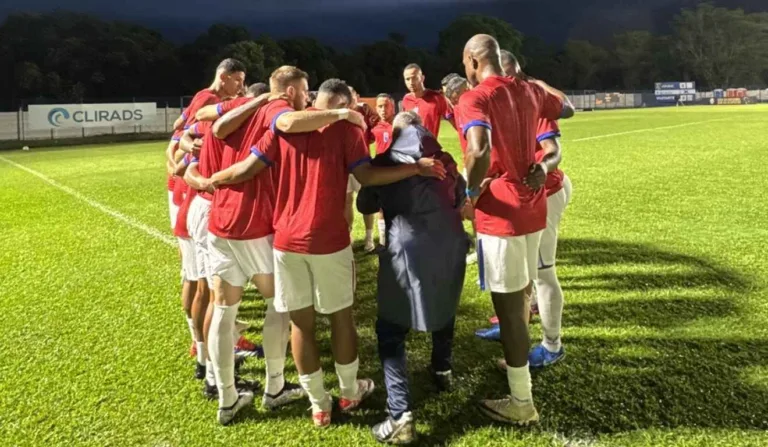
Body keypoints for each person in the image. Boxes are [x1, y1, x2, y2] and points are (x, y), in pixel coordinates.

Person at [208, 78, 446, 428]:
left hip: (287, 240)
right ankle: (349, 391)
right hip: (329, 240)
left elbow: (246, 169)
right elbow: (365, 176)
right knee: (340, 317)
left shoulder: (285, 127)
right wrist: (414, 167)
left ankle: (319, 405)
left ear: (315, 100)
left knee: (301, 325)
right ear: (344, 103)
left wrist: (210, 180)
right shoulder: (346, 130)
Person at [455, 34, 574, 425]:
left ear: (473, 60)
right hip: (532, 207)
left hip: (500, 212)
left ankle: (521, 401)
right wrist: (536, 83)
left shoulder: (475, 97)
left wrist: (470, 191)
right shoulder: (528, 91)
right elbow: (567, 109)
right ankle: (527, 363)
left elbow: (479, 148)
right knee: (524, 293)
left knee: (509, 309)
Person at [357, 111, 469, 444]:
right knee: (445, 303)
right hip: (450, 241)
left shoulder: (386, 161)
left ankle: (400, 414)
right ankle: (442, 368)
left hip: (406, 246)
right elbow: (461, 198)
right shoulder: (445, 159)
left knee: (390, 329)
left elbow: (365, 201)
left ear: (395, 133)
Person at [166, 58, 247, 361]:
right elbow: (178, 139)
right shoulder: (209, 100)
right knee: (202, 283)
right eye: (237, 80)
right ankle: (203, 349)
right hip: (196, 199)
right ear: (223, 78)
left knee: (201, 279)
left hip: (194, 196)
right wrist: (185, 163)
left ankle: (210, 343)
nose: (240, 87)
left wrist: (185, 153)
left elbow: (179, 129)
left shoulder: (210, 103)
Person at [347, 86, 381, 253]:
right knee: (347, 201)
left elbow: (376, 127)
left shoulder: (364, 112)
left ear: (357, 96)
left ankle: (369, 238)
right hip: (344, 165)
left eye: (351, 95)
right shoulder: (340, 113)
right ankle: (349, 236)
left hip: (363, 162)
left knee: (367, 201)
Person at [401, 63, 455, 138]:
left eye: (414, 78)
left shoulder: (437, 98)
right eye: (407, 79)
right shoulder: (406, 100)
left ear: (422, 78)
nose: (411, 82)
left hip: (429, 147)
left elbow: (455, 122)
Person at [370, 93, 396, 247]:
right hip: (380, 172)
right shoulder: (374, 127)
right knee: (381, 207)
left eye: (386, 105)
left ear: (393, 106)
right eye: (380, 106)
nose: (383, 109)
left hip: (398, 170)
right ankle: (382, 240)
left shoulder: (400, 125)